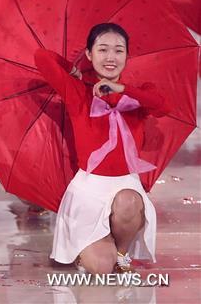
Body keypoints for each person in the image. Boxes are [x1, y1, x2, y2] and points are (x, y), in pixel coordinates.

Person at [34, 23, 169, 274]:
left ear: (128, 56)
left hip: (126, 188)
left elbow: (163, 106)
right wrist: (71, 69)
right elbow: (41, 57)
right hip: (88, 190)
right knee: (101, 269)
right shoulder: (78, 93)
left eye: (118, 51)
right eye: (102, 49)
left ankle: (122, 252)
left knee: (128, 200)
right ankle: (95, 252)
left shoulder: (138, 95)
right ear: (89, 54)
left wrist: (121, 89)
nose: (110, 57)